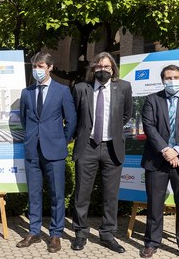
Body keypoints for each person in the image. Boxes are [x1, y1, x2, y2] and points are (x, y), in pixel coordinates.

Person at [71, 52, 133, 253]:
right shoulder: (81, 88)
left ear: (113, 69)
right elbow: (75, 116)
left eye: (107, 67)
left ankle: (107, 234)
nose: (103, 70)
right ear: (93, 69)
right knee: (82, 193)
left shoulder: (123, 87)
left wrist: (113, 130)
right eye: (99, 67)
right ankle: (80, 233)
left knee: (110, 194)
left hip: (111, 147)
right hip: (87, 146)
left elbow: (126, 114)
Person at [139, 65, 179, 259]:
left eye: (175, 77)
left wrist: (176, 150)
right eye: (168, 77)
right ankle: (151, 242)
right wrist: (166, 150)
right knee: (155, 205)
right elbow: (149, 127)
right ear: (162, 80)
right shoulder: (152, 100)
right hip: (156, 160)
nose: (172, 80)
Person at [17, 51, 77, 253]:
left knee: (57, 195)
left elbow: (71, 121)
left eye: (41, 66)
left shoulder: (62, 91)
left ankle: (56, 234)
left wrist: (62, 140)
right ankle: (34, 232)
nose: (37, 70)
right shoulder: (26, 92)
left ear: (50, 67)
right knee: (34, 194)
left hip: (55, 150)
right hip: (33, 149)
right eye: (34, 66)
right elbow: (25, 120)